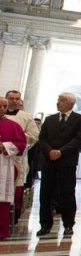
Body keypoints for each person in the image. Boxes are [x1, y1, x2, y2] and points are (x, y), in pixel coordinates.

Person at [36, 92, 81, 236]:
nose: (58, 102)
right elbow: (42, 138)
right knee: (46, 194)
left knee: (67, 193)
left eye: (62, 100)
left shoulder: (80, 119)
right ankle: (45, 224)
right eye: (58, 100)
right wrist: (50, 151)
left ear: (71, 103)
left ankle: (68, 224)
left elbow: (79, 139)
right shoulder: (49, 119)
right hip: (49, 162)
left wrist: (61, 152)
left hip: (67, 162)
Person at [4, 90, 39, 224]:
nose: (14, 101)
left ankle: (13, 216)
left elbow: (34, 136)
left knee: (15, 186)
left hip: (17, 157)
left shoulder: (26, 117)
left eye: (17, 99)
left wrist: (15, 140)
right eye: (11, 98)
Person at [0, 97, 27, 240]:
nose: (3, 109)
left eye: (5, 106)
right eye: (0, 106)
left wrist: (4, 146)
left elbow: (21, 144)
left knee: (2, 199)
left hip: (3, 165)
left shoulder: (13, 125)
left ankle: (1, 231)